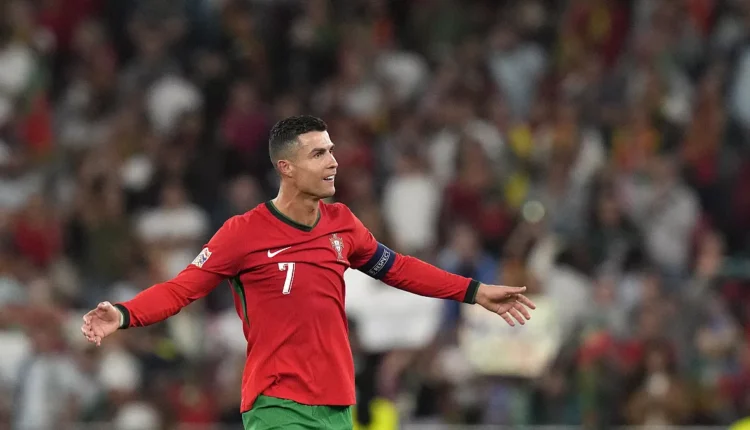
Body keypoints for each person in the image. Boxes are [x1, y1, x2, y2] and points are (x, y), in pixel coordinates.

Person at [81, 115, 536, 430]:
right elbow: (181, 289)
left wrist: (474, 291)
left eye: (331, 151)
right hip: (276, 403)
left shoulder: (343, 224)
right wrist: (124, 313)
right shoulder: (243, 233)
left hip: (337, 403)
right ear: (287, 168)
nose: (333, 162)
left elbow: (398, 268)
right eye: (319, 154)